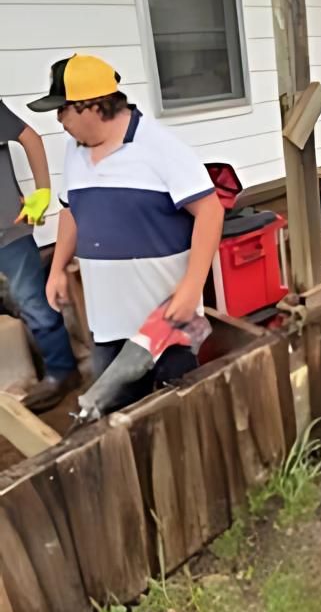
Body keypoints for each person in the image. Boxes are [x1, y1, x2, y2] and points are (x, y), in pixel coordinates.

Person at [28, 54, 224, 398]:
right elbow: (70, 211)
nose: (59, 120)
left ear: (91, 106)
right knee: (114, 414)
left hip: (168, 320)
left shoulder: (160, 147)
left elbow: (210, 211)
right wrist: (57, 268)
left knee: (178, 408)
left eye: (63, 109)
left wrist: (193, 287)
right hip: (106, 321)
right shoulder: (74, 151)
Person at [0, 100, 78, 411]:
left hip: (8, 228)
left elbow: (30, 137)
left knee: (32, 301)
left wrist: (42, 192)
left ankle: (62, 372)